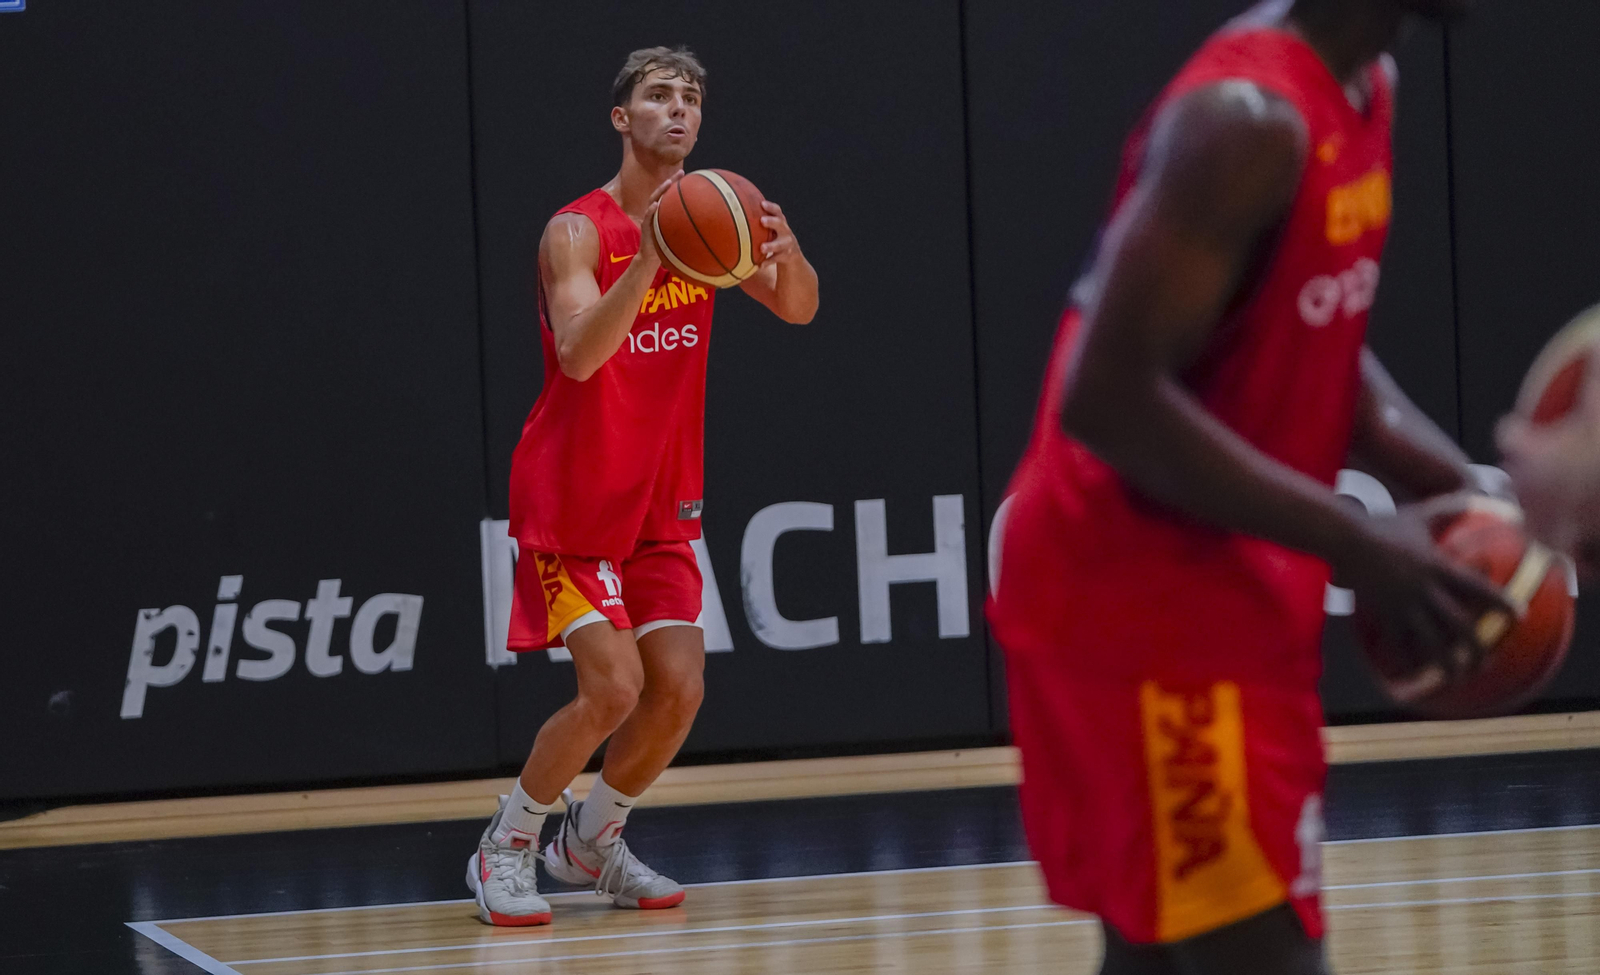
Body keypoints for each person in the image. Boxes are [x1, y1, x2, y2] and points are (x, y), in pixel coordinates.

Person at [986, 1, 1501, 972]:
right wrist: (1357, 538)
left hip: (1216, 592)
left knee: (1155, 956)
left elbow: (1307, 333)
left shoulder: (1364, 86)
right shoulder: (1247, 121)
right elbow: (1105, 397)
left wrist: (1464, 490)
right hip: (1140, 607)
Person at [466, 46, 819, 927]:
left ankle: (591, 842)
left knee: (679, 689)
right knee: (612, 689)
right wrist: (653, 260)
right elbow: (581, 353)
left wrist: (789, 251)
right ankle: (504, 846)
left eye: (691, 98)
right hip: (574, 497)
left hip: (661, 499)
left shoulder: (715, 218)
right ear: (622, 118)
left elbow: (799, 305)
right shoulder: (577, 232)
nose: (679, 111)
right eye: (659, 97)